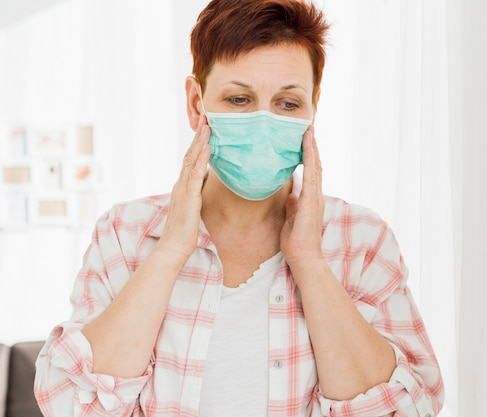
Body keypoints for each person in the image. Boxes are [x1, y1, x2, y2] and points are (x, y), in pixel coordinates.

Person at [33, 0, 444, 416]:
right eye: (239, 99)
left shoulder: (362, 241)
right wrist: (171, 251)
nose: (264, 122)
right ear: (196, 104)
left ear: (313, 105)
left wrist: (310, 264)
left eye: (287, 104)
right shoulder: (125, 234)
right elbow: (69, 404)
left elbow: (412, 409)